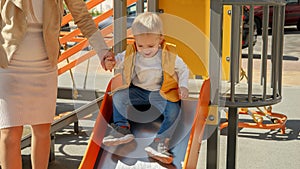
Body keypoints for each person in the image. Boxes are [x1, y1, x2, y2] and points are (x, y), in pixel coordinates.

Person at [0, 0, 113, 169]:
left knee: (42, 130)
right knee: (9, 134)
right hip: (9, 64)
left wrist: (103, 51)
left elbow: (82, 16)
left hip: (45, 65)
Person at [102, 12, 189, 164]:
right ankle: (122, 129)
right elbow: (119, 60)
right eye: (140, 45)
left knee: (174, 110)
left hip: (160, 93)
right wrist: (112, 62)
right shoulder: (133, 52)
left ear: (160, 40)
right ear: (135, 40)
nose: (145, 50)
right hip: (138, 91)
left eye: (150, 46)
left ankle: (159, 142)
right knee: (118, 96)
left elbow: (183, 69)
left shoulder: (168, 54)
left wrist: (183, 86)